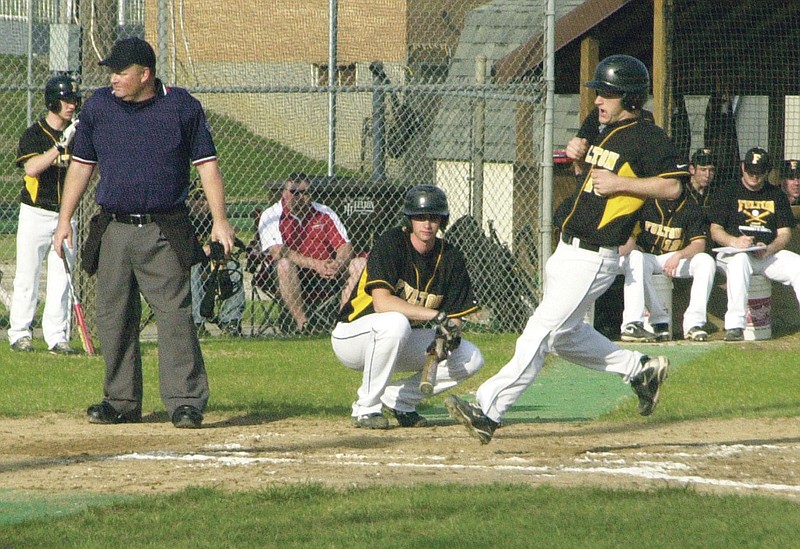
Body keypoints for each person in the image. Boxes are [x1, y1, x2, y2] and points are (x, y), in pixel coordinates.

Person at [445, 55, 688, 444]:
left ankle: (488, 411)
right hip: (568, 249)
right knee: (564, 336)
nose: (597, 101)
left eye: (607, 94)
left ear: (629, 97)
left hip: (595, 254)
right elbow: (589, 179)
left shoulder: (649, 137)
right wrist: (577, 160)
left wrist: (623, 185)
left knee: (537, 334)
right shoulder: (600, 126)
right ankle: (639, 369)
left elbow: (673, 187)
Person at [53, 37, 236, 429]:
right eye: (112, 73)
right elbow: (82, 167)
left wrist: (220, 221)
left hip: (163, 228)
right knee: (114, 317)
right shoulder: (99, 107)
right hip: (114, 228)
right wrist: (64, 219)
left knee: (175, 317)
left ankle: (185, 401)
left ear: (145, 75)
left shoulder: (182, 107)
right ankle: (121, 401)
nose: (113, 79)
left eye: (121, 72)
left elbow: (208, 167)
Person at [331, 185, 483, 429]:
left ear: (442, 221)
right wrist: (437, 316)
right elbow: (382, 303)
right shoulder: (391, 243)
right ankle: (366, 408)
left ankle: (400, 400)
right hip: (353, 336)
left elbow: (455, 316)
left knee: (470, 357)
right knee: (395, 322)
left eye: (433, 217)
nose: (427, 224)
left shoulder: (451, 257)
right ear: (409, 220)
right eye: (420, 217)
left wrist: (449, 332)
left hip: (398, 339)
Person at [8, 75, 81, 355]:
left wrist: (74, 141)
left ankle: (56, 336)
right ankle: (20, 333)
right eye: (66, 100)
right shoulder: (35, 134)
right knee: (28, 275)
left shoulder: (77, 134)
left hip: (65, 214)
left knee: (62, 278)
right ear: (52, 101)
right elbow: (31, 169)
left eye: (74, 100)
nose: (71, 105)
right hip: (35, 213)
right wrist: (59, 147)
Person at [709, 147, 800, 342]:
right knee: (740, 260)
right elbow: (715, 230)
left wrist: (770, 249)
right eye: (750, 171)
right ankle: (735, 326)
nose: (754, 177)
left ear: (767, 172)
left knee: (797, 264)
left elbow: (785, 233)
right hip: (733, 253)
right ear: (742, 167)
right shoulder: (727, 191)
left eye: (759, 173)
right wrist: (735, 241)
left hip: (766, 253)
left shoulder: (776, 194)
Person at [257, 172, 366, 333]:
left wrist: (338, 264)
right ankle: (304, 324)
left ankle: (343, 321)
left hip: (327, 273)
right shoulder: (271, 215)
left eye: (305, 192)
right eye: (294, 192)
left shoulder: (324, 212)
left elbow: (345, 247)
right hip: (289, 274)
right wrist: (316, 265)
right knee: (284, 264)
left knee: (360, 264)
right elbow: (278, 251)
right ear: (284, 193)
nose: (300, 197)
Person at [618, 190, 715, 343]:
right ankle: (655, 321)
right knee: (637, 259)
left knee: (706, 261)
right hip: (647, 257)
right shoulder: (646, 204)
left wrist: (679, 255)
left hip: (674, 258)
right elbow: (630, 236)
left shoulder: (691, 207)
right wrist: (633, 246)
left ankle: (694, 324)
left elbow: (699, 244)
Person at [188, 185, 244, 337]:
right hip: (187, 268)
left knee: (233, 266)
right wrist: (204, 251)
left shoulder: (217, 220)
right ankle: (197, 324)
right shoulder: (184, 219)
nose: (201, 202)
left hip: (213, 267)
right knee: (195, 267)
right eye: (196, 198)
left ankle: (231, 322)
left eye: (205, 198)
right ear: (189, 200)